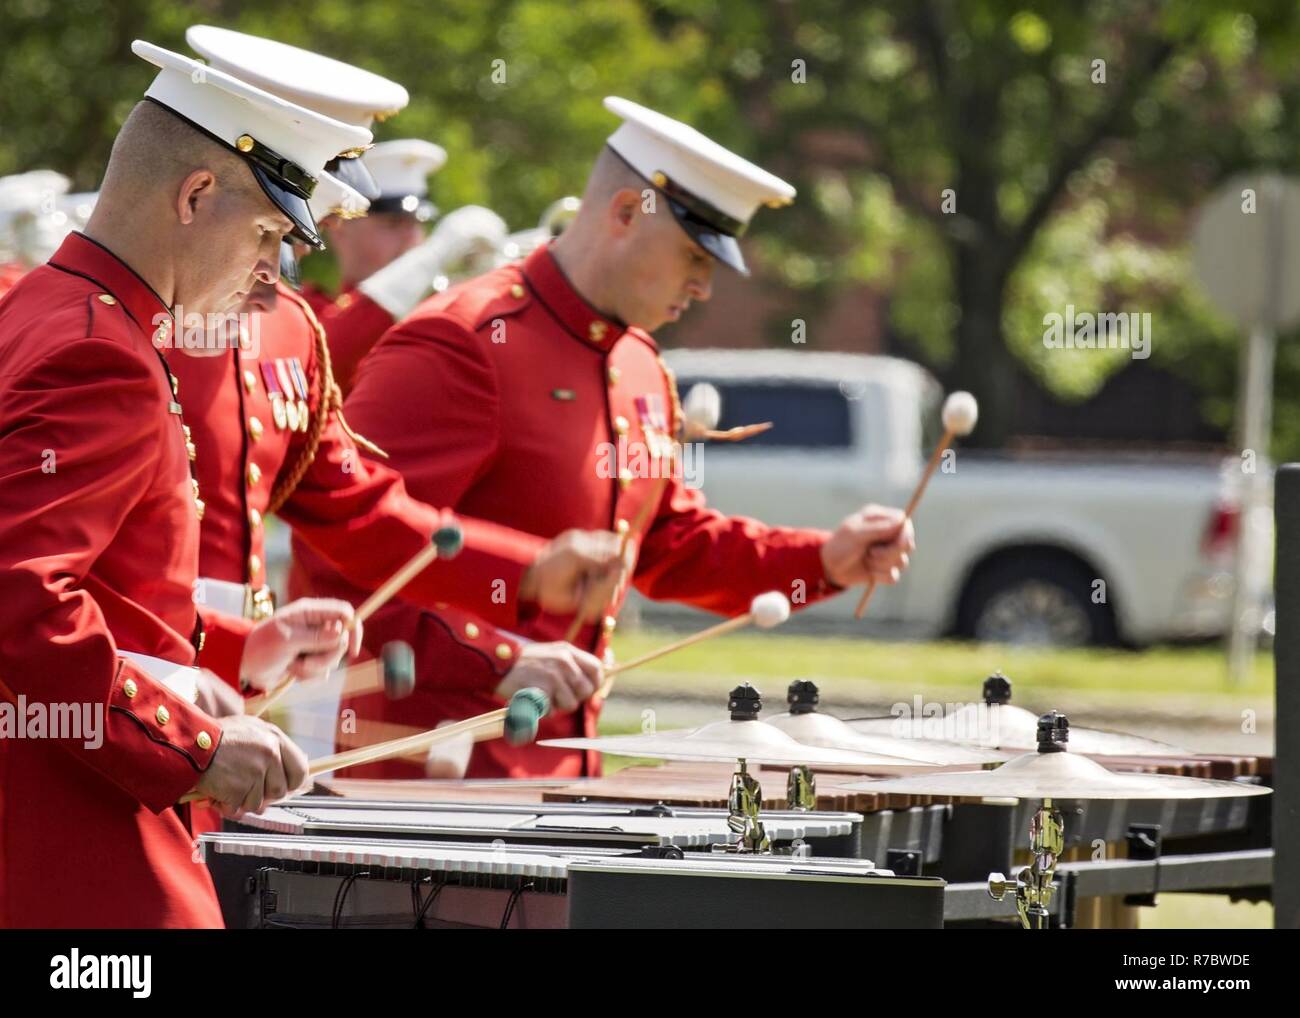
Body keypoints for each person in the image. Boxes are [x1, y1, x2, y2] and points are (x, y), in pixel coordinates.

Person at [292, 97, 916, 779]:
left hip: (564, 785)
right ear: (625, 213)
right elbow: (343, 556)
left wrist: (824, 561)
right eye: (692, 255)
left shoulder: (640, 364)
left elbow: (670, 545)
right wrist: (498, 655)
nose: (704, 287)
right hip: (428, 794)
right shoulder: (462, 341)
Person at [0, 39, 371, 928]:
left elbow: (94, 592)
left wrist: (231, 654)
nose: (270, 275)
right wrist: (193, 747)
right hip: (76, 858)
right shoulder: (101, 351)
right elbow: (19, 599)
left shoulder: (48, 312)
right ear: (197, 194)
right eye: (269, 234)